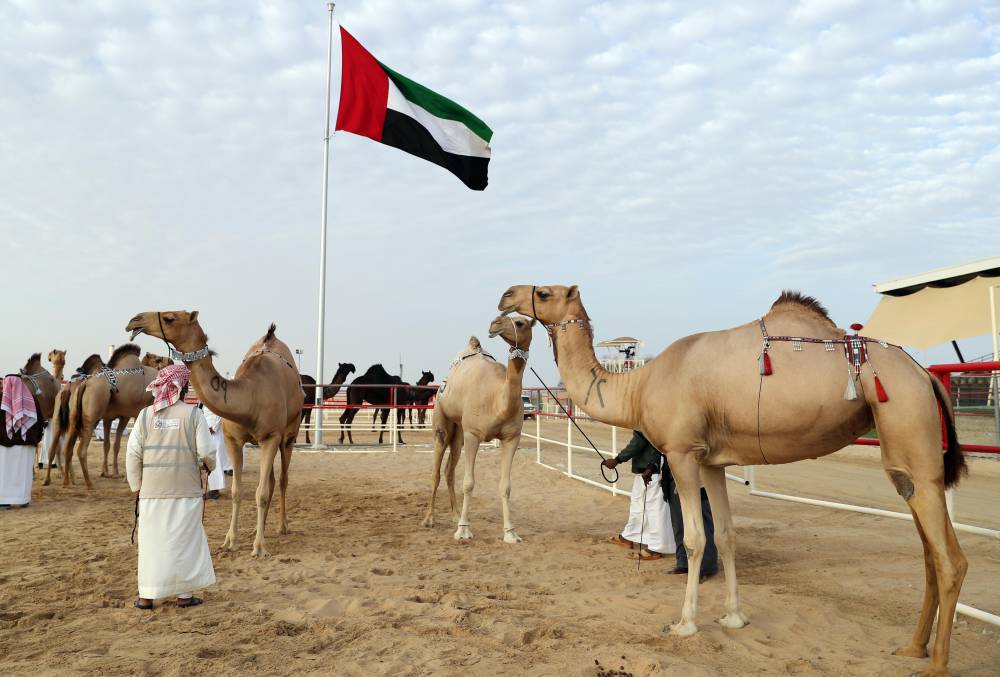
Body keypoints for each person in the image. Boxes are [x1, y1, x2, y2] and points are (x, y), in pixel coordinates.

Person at [126, 364, 216, 610]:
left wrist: (137, 486)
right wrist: (210, 466)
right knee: (184, 543)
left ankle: (146, 596)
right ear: (183, 386)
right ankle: (184, 596)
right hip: (185, 492)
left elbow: (132, 453)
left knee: (152, 544)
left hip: (151, 493)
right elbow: (207, 451)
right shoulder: (193, 415)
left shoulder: (145, 416)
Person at [602, 430, 675, 561]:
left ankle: (656, 548)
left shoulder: (647, 417)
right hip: (645, 471)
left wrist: (618, 460)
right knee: (638, 505)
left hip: (652, 471)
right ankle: (629, 536)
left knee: (654, 508)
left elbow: (637, 443)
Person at [662, 461, 719, 580]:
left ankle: (707, 566)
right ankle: (683, 562)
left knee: (703, 524)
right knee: (678, 523)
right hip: (674, 474)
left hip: (698, 476)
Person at [1, 375, 42, 507]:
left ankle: (3, 500)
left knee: (4, 472)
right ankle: (22, 499)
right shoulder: (33, 400)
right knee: (23, 472)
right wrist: (36, 438)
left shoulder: (2, 400)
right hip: (26, 445)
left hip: (3, 445)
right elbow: (40, 421)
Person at [202, 406, 231, 499]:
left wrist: (213, 428)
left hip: (213, 431)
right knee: (213, 458)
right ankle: (214, 489)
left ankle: (215, 490)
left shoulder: (213, 394)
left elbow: (221, 412)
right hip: (208, 429)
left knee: (214, 459)